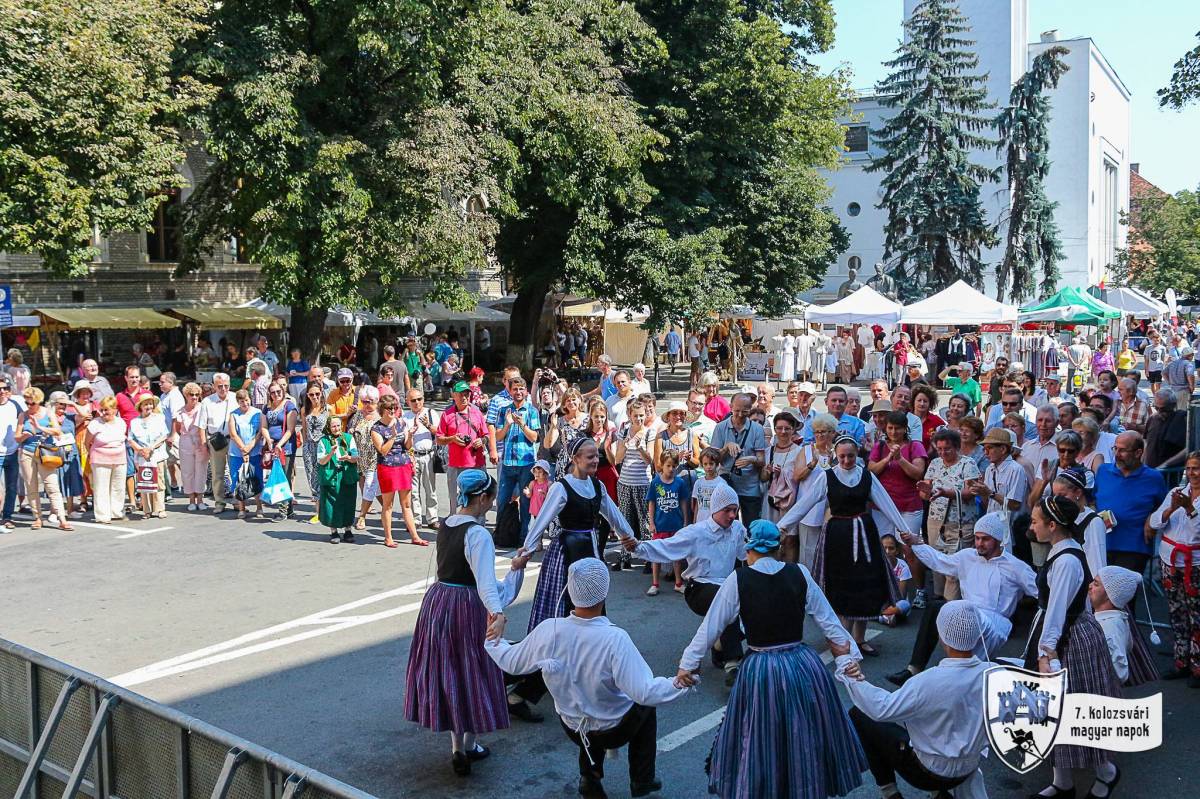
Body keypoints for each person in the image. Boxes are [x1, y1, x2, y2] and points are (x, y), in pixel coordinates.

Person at [677, 519, 865, 799]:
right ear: (778, 548)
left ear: (749, 549)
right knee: (805, 733)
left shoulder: (739, 579)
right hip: (802, 665)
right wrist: (848, 659)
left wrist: (687, 664)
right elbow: (830, 624)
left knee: (762, 736)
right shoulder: (799, 573)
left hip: (762, 668)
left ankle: (767, 788)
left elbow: (711, 627)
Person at [487, 558, 684, 798]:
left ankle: (589, 777)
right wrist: (682, 683)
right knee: (645, 706)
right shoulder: (614, 639)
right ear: (605, 592)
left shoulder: (550, 629)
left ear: (570, 591)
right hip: (614, 728)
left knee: (584, 702)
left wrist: (492, 637)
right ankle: (642, 778)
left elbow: (510, 662)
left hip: (571, 726)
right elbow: (644, 691)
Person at [1023, 494, 1122, 799]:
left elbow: (1057, 611)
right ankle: (1062, 782)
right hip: (1064, 632)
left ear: (1052, 525)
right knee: (1052, 712)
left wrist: (1045, 652)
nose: (1032, 526)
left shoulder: (1065, 561)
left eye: (1036, 521)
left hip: (1068, 639)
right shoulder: (1061, 551)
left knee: (1075, 712)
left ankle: (1106, 772)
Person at [841, 600, 992, 799]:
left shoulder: (927, 681)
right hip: (967, 770)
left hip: (927, 772)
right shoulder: (998, 676)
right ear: (979, 633)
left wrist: (851, 676)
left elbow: (881, 709)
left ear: (941, 637)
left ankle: (890, 793)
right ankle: (939, 794)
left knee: (860, 715)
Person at [778, 435, 912, 655]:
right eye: (842, 456)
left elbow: (886, 504)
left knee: (866, 585)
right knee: (840, 587)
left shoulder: (866, 477)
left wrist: (904, 529)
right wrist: (782, 526)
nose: (847, 460)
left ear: (857, 454)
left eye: (851, 456)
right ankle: (843, 639)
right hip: (837, 537)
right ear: (835, 455)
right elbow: (805, 504)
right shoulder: (827, 477)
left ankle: (859, 639)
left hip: (864, 535)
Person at [888, 513, 1037, 687]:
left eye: (985, 539)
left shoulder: (1016, 567)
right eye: (977, 538)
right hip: (968, 612)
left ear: (998, 540)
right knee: (936, 607)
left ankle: (957, 681)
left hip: (996, 623)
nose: (979, 544)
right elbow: (939, 561)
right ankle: (914, 670)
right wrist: (916, 543)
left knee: (972, 666)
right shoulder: (967, 556)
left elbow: (1041, 593)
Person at [625, 482, 747, 683]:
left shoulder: (737, 529)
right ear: (715, 509)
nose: (732, 515)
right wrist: (638, 548)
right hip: (698, 588)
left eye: (735, 510)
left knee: (750, 599)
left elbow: (747, 555)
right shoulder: (696, 532)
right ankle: (732, 662)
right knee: (726, 599)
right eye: (727, 510)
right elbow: (666, 546)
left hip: (727, 587)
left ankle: (719, 646)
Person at [520, 437, 635, 631]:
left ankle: (590, 645)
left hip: (590, 548)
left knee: (592, 596)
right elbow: (542, 520)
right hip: (567, 550)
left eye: (596, 456)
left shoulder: (597, 486)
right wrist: (527, 550)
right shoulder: (561, 487)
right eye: (590, 457)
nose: (595, 460)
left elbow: (613, 514)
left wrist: (628, 536)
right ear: (575, 459)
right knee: (564, 598)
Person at [1148, 451, 1200, 685]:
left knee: (1196, 615)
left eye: (1196, 468)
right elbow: (1155, 521)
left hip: (1194, 563)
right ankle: (1182, 661)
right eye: (1189, 468)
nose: (1192, 473)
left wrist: (1190, 509)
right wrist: (1171, 509)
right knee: (1176, 612)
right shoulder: (1175, 493)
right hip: (1170, 560)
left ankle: (1198, 667)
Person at [1096, 432, 1168, 576]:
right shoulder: (1103, 471)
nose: (1116, 454)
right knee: (1099, 594)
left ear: (1138, 453)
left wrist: (1151, 518)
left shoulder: (1153, 478)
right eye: (1115, 448)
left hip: (1134, 547)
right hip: (1101, 543)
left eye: (1122, 450)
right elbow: (1091, 500)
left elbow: (1164, 506)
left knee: (1122, 594)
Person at [1090, 566, 1159, 686]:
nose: (1090, 586)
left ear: (1109, 595)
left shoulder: (1109, 626)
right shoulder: (1113, 620)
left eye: (1096, 584)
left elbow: (1120, 672)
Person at [373, 394, 426, 547]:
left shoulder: (401, 423)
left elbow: (407, 447)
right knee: (388, 505)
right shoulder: (377, 428)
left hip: (403, 465)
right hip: (387, 467)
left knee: (406, 504)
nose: (393, 411)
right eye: (390, 408)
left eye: (395, 408)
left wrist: (410, 436)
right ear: (382, 409)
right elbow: (382, 450)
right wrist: (392, 437)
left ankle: (415, 536)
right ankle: (388, 537)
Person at [15, 387, 69, 530]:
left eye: (32, 403)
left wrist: (39, 427)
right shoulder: (23, 415)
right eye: (27, 403)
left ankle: (62, 518)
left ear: (39, 402)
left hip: (46, 452)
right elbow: (17, 437)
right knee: (31, 486)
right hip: (27, 452)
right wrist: (26, 435)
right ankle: (38, 518)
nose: (29, 406)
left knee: (52, 486)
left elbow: (57, 431)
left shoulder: (48, 413)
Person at [494, 376, 541, 540]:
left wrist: (522, 425)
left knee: (526, 502)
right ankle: (501, 533)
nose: (518, 392)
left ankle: (524, 537)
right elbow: (498, 437)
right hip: (507, 463)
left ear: (526, 392)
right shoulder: (503, 410)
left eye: (521, 389)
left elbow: (535, 437)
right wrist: (507, 424)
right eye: (515, 389)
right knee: (502, 500)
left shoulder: (532, 411)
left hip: (526, 464)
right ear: (510, 391)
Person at [709, 392, 766, 525]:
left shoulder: (757, 429)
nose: (740, 415)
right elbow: (713, 460)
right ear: (730, 407)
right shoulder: (720, 427)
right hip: (727, 482)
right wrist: (726, 447)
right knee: (726, 526)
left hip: (750, 486)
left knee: (752, 526)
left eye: (745, 412)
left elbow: (761, 460)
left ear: (750, 410)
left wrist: (751, 459)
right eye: (737, 411)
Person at [788, 413, 836, 569]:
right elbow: (796, 477)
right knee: (808, 551)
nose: (820, 435)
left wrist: (832, 462)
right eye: (817, 432)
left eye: (824, 431)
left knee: (830, 550)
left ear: (832, 433)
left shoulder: (838, 452)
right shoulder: (806, 451)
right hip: (809, 510)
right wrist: (812, 464)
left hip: (832, 509)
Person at [644, 450, 691, 596]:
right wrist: (651, 523)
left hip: (676, 524)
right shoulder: (656, 483)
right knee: (656, 555)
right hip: (660, 524)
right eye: (668, 466)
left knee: (676, 555)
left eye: (674, 466)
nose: (671, 469)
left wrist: (685, 521)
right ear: (662, 465)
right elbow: (651, 503)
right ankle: (655, 583)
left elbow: (683, 502)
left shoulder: (680, 482)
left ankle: (678, 583)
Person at [436, 381, 489, 510]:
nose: (464, 397)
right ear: (454, 395)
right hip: (455, 464)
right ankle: (455, 525)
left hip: (476, 463)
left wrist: (482, 441)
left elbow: (487, 435)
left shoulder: (477, 413)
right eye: (460, 394)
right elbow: (438, 439)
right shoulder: (447, 414)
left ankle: (477, 525)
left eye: (466, 394)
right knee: (454, 501)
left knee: (478, 498)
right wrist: (452, 439)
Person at [198, 373, 237, 514]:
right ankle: (219, 502)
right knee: (217, 474)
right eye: (220, 386)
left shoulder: (235, 398)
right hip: (215, 441)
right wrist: (204, 445)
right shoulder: (207, 402)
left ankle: (238, 500)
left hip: (234, 440)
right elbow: (201, 426)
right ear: (214, 386)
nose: (223, 389)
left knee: (236, 472)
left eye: (226, 386)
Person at [970, 428, 1028, 523]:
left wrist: (990, 493)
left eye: (989, 448)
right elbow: (988, 503)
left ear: (1003, 449)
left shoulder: (1016, 469)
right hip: (992, 523)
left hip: (1010, 526)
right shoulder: (989, 469)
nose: (985, 453)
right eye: (984, 449)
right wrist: (981, 492)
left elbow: (1014, 505)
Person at [84, 397, 128, 523]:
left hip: (120, 458)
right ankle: (102, 515)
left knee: (118, 487)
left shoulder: (121, 423)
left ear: (114, 410)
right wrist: (91, 455)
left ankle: (117, 512)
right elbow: (87, 443)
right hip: (100, 459)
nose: (103, 413)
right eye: (102, 410)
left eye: (107, 410)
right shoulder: (95, 424)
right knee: (101, 487)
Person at [317, 415, 359, 542]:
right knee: (331, 504)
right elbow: (321, 461)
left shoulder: (348, 438)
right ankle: (333, 531)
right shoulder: (323, 441)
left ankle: (348, 530)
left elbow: (356, 456)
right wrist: (331, 453)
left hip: (346, 475)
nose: (336, 428)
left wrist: (348, 458)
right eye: (333, 426)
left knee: (348, 501)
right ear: (329, 428)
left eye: (338, 425)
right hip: (331, 476)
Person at [227, 389, 268, 519]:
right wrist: (243, 448)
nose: (245, 403)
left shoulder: (258, 413)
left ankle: (259, 507)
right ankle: (242, 508)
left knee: (257, 479)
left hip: (255, 451)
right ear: (238, 402)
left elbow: (260, 432)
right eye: (241, 401)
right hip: (236, 453)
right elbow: (233, 434)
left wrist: (250, 446)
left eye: (246, 400)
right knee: (238, 480)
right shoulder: (233, 415)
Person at [128, 394, 170, 518]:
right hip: (142, 456)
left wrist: (151, 447)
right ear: (140, 406)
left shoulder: (159, 418)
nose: (148, 406)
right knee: (144, 482)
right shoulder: (134, 422)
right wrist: (140, 450)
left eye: (150, 404)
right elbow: (131, 439)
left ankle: (160, 509)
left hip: (157, 454)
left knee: (159, 482)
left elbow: (164, 435)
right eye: (145, 404)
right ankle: (147, 510)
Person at [403, 389, 439, 528]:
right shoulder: (405, 418)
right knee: (413, 491)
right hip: (412, 456)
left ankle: (432, 518)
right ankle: (416, 520)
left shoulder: (431, 413)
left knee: (430, 489)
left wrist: (427, 425)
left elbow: (440, 433)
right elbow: (404, 440)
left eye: (419, 399)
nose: (417, 402)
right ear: (408, 402)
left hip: (428, 455)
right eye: (413, 400)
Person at [263, 382, 298, 519]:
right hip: (273, 446)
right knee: (279, 476)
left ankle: (283, 510)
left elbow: (290, 429)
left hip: (286, 446)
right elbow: (264, 426)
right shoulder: (267, 407)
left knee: (283, 477)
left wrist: (280, 444)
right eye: (273, 392)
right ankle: (289, 510)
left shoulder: (289, 406)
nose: (276, 394)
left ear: (283, 391)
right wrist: (269, 440)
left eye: (278, 391)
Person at [300, 378, 331, 524]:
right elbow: (304, 431)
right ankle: (318, 511)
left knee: (324, 477)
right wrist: (305, 446)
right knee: (312, 478)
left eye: (317, 394)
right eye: (312, 395)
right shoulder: (304, 410)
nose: (315, 397)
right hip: (309, 447)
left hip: (323, 446)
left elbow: (332, 429)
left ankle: (327, 509)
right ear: (307, 395)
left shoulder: (328, 409)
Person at [174, 382, 208, 511]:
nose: (194, 397)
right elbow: (177, 428)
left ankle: (200, 499)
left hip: (200, 441)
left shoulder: (202, 408)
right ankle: (191, 500)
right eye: (191, 395)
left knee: (201, 470)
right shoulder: (180, 411)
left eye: (197, 395)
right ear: (186, 395)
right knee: (187, 471)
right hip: (186, 441)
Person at [1145, 388, 1188, 469]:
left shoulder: (1182, 419)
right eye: (1156, 408)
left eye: (1164, 409)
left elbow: (1188, 448)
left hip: (1170, 471)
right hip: (1150, 469)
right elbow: (1146, 443)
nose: (1159, 412)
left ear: (1173, 405)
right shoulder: (1152, 419)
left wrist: (1166, 464)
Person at [690, 447, 730, 524]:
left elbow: (725, 505)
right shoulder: (698, 483)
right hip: (700, 522)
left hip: (715, 523)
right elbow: (696, 505)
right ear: (702, 465)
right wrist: (694, 523)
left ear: (717, 464)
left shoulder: (722, 483)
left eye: (711, 463)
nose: (708, 467)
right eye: (705, 464)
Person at [524, 459, 552, 525]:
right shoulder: (532, 483)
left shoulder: (549, 484)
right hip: (536, 508)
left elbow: (551, 498)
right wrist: (527, 492)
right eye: (535, 472)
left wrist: (545, 495)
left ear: (545, 473)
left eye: (540, 472)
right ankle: (540, 535)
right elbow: (529, 495)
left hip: (545, 509)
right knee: (538, 524)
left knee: (545, 524)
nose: (537, 474)